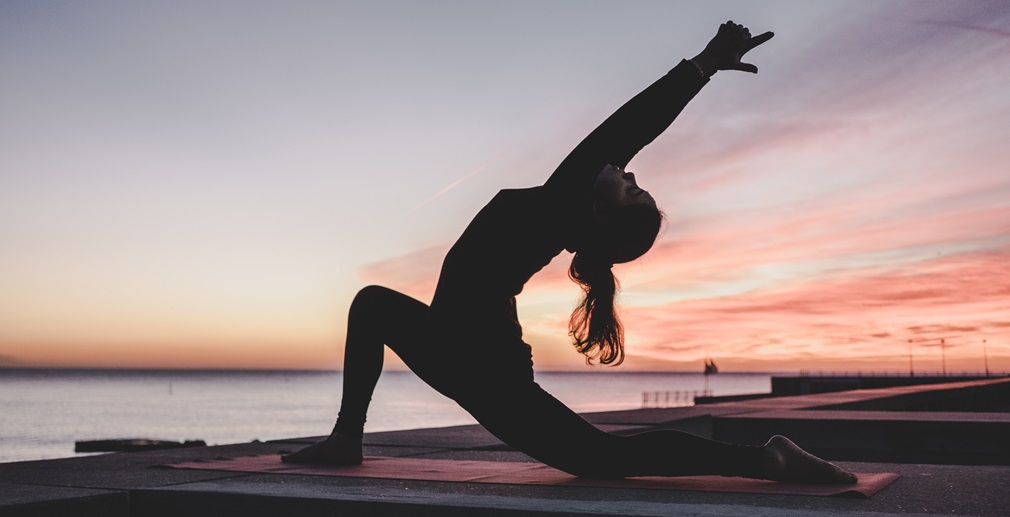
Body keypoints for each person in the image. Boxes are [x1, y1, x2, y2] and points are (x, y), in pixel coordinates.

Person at [284, 21, 857, 484]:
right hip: (456, 347)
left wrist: (703, 65)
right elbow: (625, 138)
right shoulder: (560, 212)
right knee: (371, 305)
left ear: (602, 215)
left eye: (630, 187)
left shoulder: (562, 205)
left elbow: (629, 127)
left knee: (603, 462)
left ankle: (765, 459)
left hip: (482, 366)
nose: (626, 171)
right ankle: (347, 438)